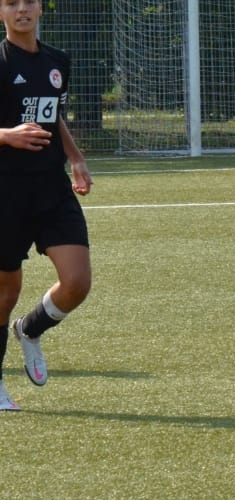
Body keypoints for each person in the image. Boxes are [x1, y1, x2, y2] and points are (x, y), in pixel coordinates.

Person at [0, 0, 92, 412]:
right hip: (6, 191)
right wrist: (7, 135)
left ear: (40, 8)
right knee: (6, 292)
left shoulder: (57, 61)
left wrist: (75, 158)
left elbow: (53, 116)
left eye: (28, 2)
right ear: (0, 12)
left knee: (77, 282)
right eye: (11, 3)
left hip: (52, 187)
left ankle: (31, 329)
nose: (21, 9)